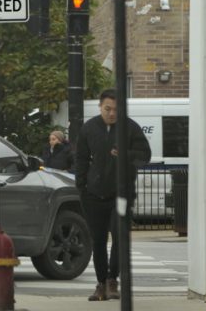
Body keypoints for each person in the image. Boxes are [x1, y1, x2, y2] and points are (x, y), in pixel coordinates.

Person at [74, 89, 151, 301]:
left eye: (116, 109)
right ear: (100, 107)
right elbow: (80, 159)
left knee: (119, 237)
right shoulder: (89, 129)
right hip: (93, 195)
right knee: (98, 240)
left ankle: (112, 280)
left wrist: (125, 155)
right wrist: (82, 186)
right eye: (107, 109)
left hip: (121, 195)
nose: (111, 113)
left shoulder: (130, 128)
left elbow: (145, 156)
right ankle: (100, 283)